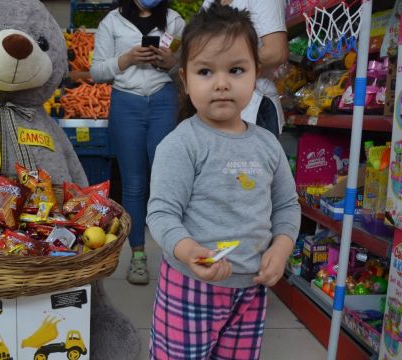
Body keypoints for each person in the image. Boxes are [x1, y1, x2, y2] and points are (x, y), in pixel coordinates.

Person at [146, 3, 300, 359]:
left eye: (235, 69)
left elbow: (287, 206)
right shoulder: (182, 144)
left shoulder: (267, 144)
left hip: (251, 288)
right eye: (204, 71)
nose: (221, 84)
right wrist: (189, 251)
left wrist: (280, 248)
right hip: (189, 285)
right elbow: (162, 213)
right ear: (184, 80)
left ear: (255, 73)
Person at [90, 0, 185, 284]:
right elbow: (97, 72)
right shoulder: (112, 22)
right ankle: (139, 255)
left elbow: (187, 69)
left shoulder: (174, 21)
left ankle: (175, 252)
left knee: (166, 179)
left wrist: (170, 64)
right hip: (125, 103)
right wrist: (127, 59)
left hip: (164, 101)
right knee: (133, 183)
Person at [202, 0, 288, 137]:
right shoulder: (209, 2)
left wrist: (223, 62)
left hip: (253, 104)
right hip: (217, 103)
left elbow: (276, 52)